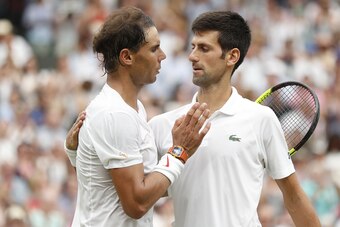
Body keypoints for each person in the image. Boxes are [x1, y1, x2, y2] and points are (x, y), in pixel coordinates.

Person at [66, 10, 321, 227]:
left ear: (232, 56)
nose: (192, 56)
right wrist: (81, 152)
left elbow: (294, 196)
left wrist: (77, 152)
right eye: (193, 47)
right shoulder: (162, 125)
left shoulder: (261, 119)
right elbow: (132, 189)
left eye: (204, 48)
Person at [64, 6, 211, 227]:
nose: (162, 56)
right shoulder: (115, 114)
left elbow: (105, 184)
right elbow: (136, 204)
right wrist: (179, 152)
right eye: (154, 49)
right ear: (127, 57)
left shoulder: (132, 109)